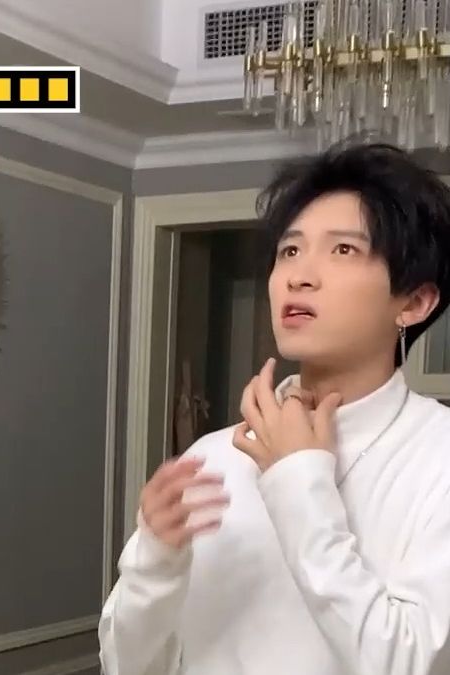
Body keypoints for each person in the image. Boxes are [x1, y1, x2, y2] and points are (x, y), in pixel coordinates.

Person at [98, 140, 450, 675]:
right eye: (289, 251)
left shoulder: (437, 457)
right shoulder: (214, 456)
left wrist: (299, 480)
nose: (299, 275)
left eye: (343, 250)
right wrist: (155, 563)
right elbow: (127, 666)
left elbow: (408, 662)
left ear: (415, 302)